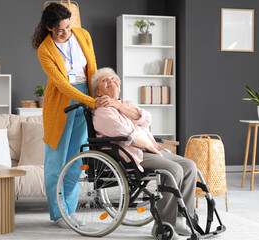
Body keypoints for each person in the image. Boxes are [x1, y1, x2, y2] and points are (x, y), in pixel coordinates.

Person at [91, 68, 197, 238]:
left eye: (113, 78)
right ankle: (163, 225)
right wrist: (149, 147)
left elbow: (146, 119)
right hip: (132, 155)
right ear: (97, 91)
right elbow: (125, 135)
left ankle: (181, 219)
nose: (111, 81)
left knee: (190, 166)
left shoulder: (127, 104)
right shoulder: (102, 111)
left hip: (150, 149)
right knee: (174, 170)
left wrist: (119, 105)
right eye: (105, 81)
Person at [32, 3, 103, 228]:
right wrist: (91, 101)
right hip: (62, 104)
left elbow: (92, 69)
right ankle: (58, 214)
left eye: (68, 27)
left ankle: (69, 211)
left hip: (86, 99)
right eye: (60, 30)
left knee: (76, 159)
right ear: (48, 27)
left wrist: (98, 96)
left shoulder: (83, 35)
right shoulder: (45, 50)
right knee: (56, 161)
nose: (66, 33)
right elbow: (62, 85)